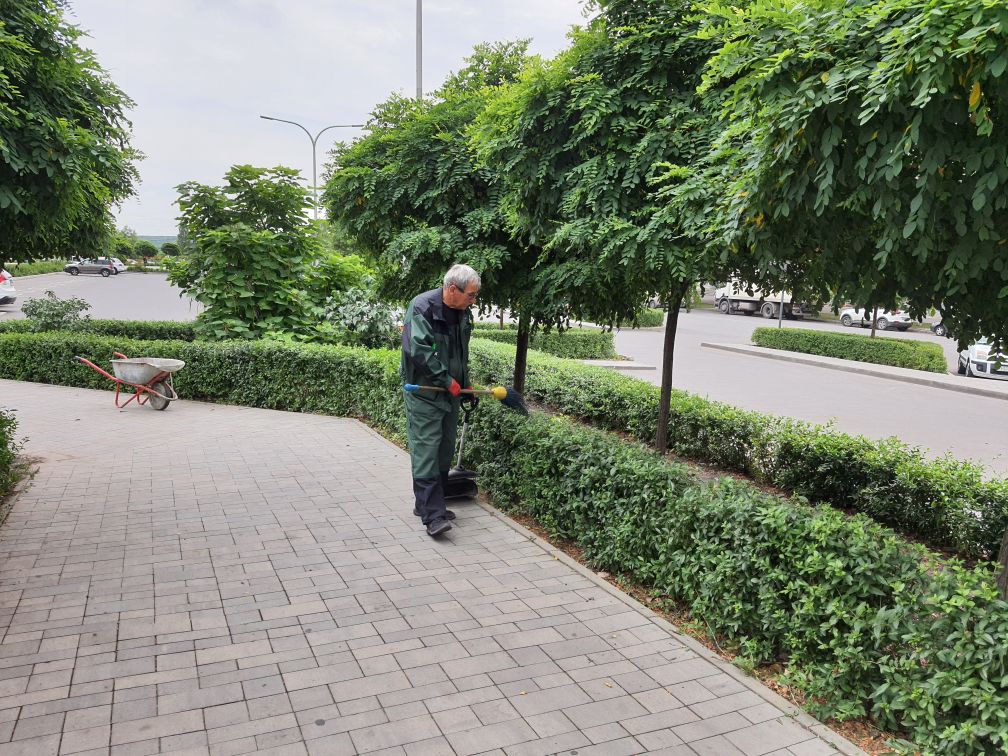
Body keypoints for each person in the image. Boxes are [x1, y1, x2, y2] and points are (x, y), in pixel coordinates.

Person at [401, 264, 480, 537]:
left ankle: (429, 504)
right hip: (424, 393)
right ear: (451, 289)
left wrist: (465, 384)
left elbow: (461, 354)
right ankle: (433, 516)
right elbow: (419, 353)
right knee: (427, 451)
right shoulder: (422, 307)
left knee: (445, 450)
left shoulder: (461, 314)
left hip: (450, 396)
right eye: (470, 295)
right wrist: (449, 382)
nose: (473, 300)